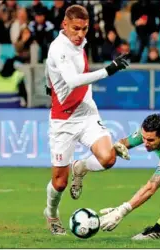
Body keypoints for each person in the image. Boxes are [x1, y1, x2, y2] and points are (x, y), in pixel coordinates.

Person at [43, 4, 130, 235]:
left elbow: (49, 66)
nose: (80, 34)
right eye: (75, 28)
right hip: (63, 121)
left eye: (84, 29)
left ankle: (80, 167)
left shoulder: (79, 41)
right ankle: (51, 214)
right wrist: (108, 71)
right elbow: (72, 81)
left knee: (108, 158)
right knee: (60, 183)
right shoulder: (58, 48)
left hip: (87, 113)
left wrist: (47, 82)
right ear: (64, 25)